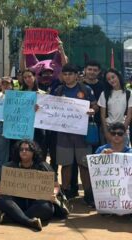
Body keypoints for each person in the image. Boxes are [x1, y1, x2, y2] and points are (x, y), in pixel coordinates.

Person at [53, 63, 97, 206]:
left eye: (71, 74)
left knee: (84, 164)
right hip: (63, 134)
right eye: (65, 74)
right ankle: (65, 192)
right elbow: (49, 107)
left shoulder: (86, 89)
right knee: (66, 165)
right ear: (62, 76)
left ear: (77, 75)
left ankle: (88, 194)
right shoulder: (58, 90)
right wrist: (39, 108)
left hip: (82, 134)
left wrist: (92, 110)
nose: (68, 77)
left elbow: (95, 105)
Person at [0, 140, 58, 231]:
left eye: (27, 149)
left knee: (47, 207)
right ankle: (29, 221)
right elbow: (1, 185)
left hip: (35, 203)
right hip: (17, 203)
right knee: (1, 200)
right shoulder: (10, 166)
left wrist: (54, 193)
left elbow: (56, 185)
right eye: (21, 149)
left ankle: (13, 217)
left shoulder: (43, 166)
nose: (24, 151)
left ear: (34, 152)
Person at [98, 68, 132, 143]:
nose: (112, 80)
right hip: (109, 128)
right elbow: (102, 116)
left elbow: (129, 115)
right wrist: (106, 133)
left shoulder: (128, 93)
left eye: (113, 77)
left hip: (123, 129)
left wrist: (122, 131)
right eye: (109, 79)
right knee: (109, 153)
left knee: (123, 153)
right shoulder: (104, 94)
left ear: (118, 76)